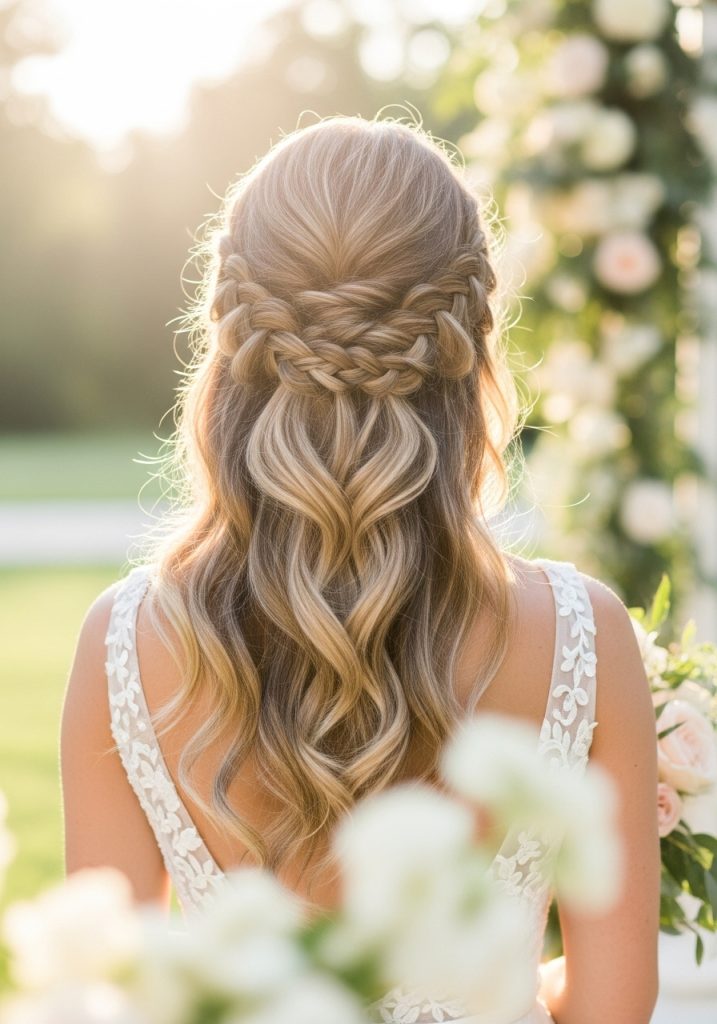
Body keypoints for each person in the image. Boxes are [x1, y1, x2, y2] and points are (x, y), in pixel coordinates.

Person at [60, 114, 660, 1024]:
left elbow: (110, 1001)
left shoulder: (124, 641)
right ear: (473, 349)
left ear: (231, 345)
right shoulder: (584, 634)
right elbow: (615, 1009)